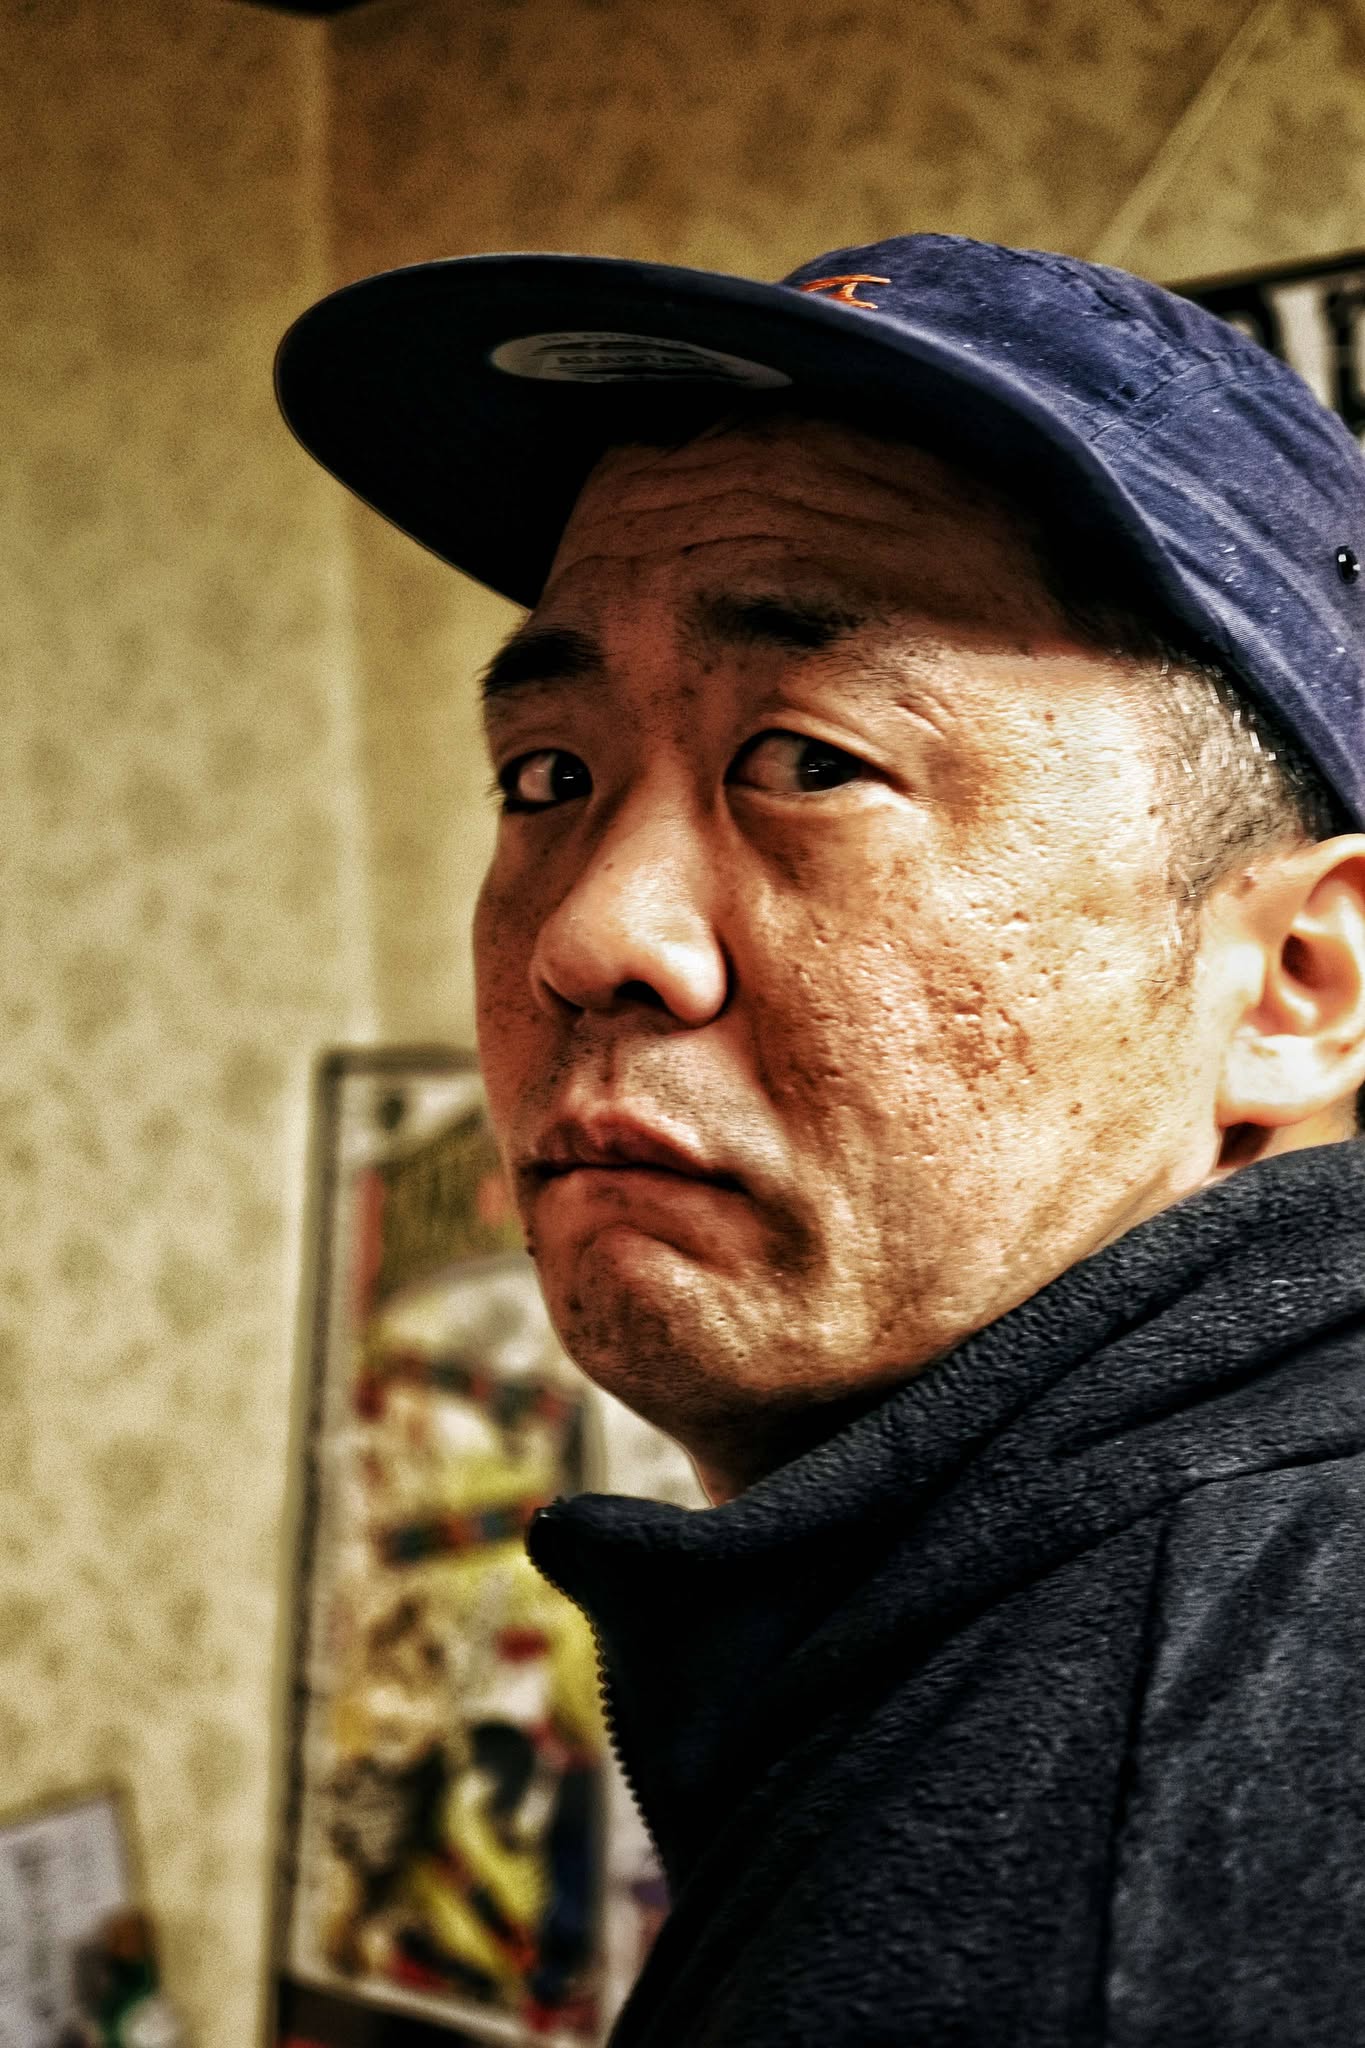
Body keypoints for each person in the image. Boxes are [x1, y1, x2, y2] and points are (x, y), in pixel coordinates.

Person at [278, 235, 1365, 2043]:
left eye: (809, 763)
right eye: (548, 777)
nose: (589, 936)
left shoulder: (1154, 1833)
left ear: (1292, 982)